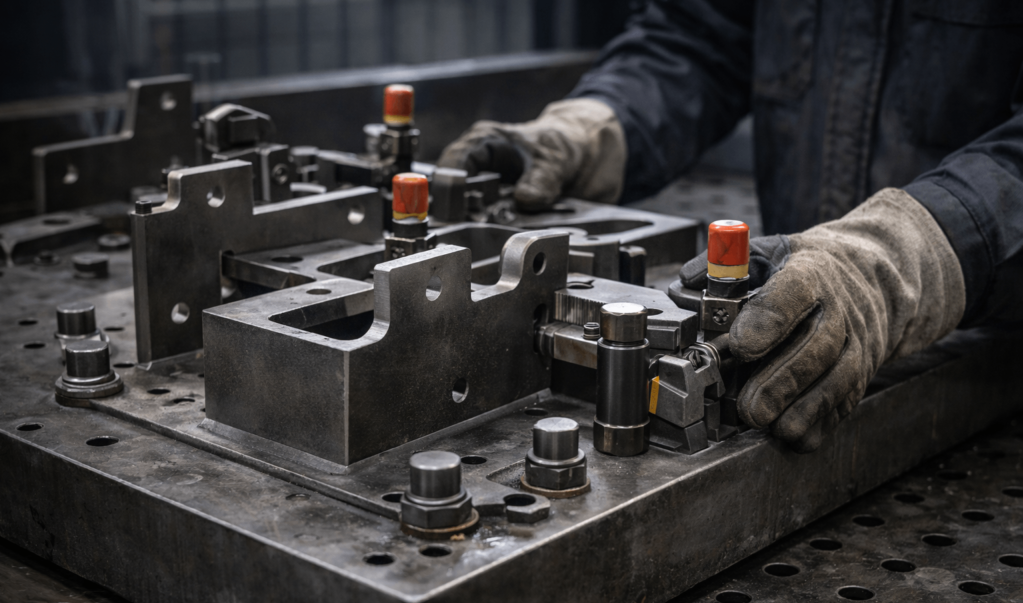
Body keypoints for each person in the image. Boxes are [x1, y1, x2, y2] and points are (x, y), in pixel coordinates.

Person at [438, 0, 1023, 452]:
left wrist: (894, 264)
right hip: (783, 341)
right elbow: (697, 38)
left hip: (986, 385)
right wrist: (594, 128)